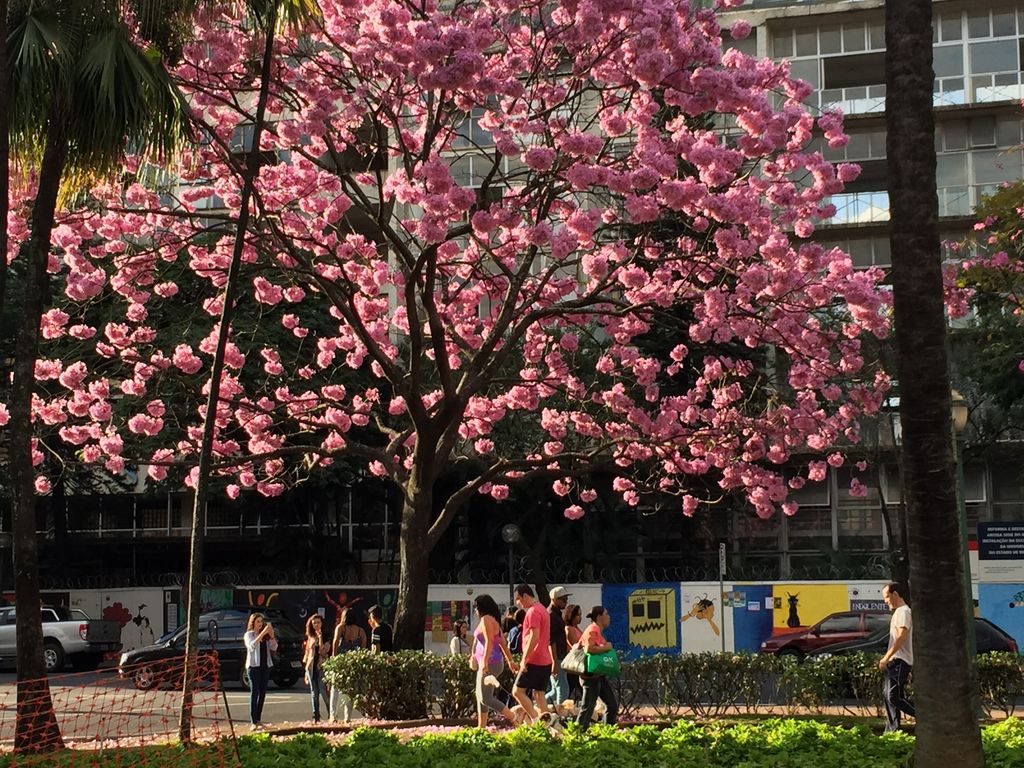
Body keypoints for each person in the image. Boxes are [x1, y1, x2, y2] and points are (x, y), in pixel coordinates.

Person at [511, 584, 558, 725]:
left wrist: (524, 659)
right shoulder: (542, 609)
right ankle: (547, 726)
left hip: (534, 659)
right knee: (539, 695)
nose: (518, 603)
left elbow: (534, 636)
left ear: (526, 595)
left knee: (517, 692)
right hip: (545, 660)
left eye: (518, 599)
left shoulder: (532, 612)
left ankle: (536, 720)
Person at [471, 594, 518, 728]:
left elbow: (489, 642)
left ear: (482, 608)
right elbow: (503, 643)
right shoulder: (494, 621)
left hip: (489, 663)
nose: (475, 610)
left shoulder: (486, 619)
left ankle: (514, 718)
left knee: (486, 698)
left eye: (476, 607)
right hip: (492, 662)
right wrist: (510, 661)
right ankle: (481, 727)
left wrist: (484, 662)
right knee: (481, 695)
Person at [879, 583, 915, 733]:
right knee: (890, 696)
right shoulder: (899, 612)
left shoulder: (903, 612)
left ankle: (923, 715)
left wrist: (886, 657)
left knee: (892, 696)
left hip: (899, 660)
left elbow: (902, 636)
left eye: (887, 597)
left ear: (895, 594)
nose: (885, 601)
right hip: (896, 661)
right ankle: (892, 730)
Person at [577, 606, 618, 730]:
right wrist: (607, 647)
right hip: (590, 676)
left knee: (611, 705)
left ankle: (608, 732)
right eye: (606, 614)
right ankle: (577, 733)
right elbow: (588, 648)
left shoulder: (597, 630)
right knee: (588, 706)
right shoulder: (593, 628)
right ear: (599, 617)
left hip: (598, 675)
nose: (609, 616)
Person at [329, 606, 367, 723]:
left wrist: (334, 657)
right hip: (353, 662)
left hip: (340, 661)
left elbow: (335, 642)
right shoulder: (360, 631)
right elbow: (364, 645)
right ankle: (347, 717)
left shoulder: (341, 628)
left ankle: (333, 715)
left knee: (335, 688)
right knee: (349, 691)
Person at [243, 613, 278, 730]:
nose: (260, 624)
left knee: (262, 693)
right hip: (253, 667)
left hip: (264, 667)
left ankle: (258, 719)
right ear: (253, 623)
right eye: (258, 621)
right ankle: (253, 721)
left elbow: (274, 647)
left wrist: (271, 635)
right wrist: (262, 633)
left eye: (261, 622)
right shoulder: (249, 635)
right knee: (255, 693)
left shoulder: (266, 637)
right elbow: (251, 646)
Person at [546, 586, 571, 707]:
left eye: (566, 599)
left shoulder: (555, 614)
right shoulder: (551, 615)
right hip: (556, 657)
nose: (565, 602)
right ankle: (562, 716)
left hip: (559, 656)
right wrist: (554, 662)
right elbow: (551, 641)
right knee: (563, 689)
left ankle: (538, 707)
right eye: (563, 599)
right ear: (554, 599)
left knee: (555, 691)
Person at [303, 614, 330, 722]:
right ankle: (316, 716)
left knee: (323, 691)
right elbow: (307, 653)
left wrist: (320, 637)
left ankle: (330, 714)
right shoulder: (310, 636)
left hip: (321, 666)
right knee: (314, 692)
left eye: (318, 622)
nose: (316, 625)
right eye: (314, 623)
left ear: (322, 623)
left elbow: (323, 651)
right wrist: (305, 670)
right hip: (311, 667)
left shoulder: (326, 636)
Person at [563, 603, 583, 701]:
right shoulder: (569, 629)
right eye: (578, 615)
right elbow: (574, 645)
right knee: (571, 686)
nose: (580, 617)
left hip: (579, 662)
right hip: (573, 662)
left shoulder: (577, 628)